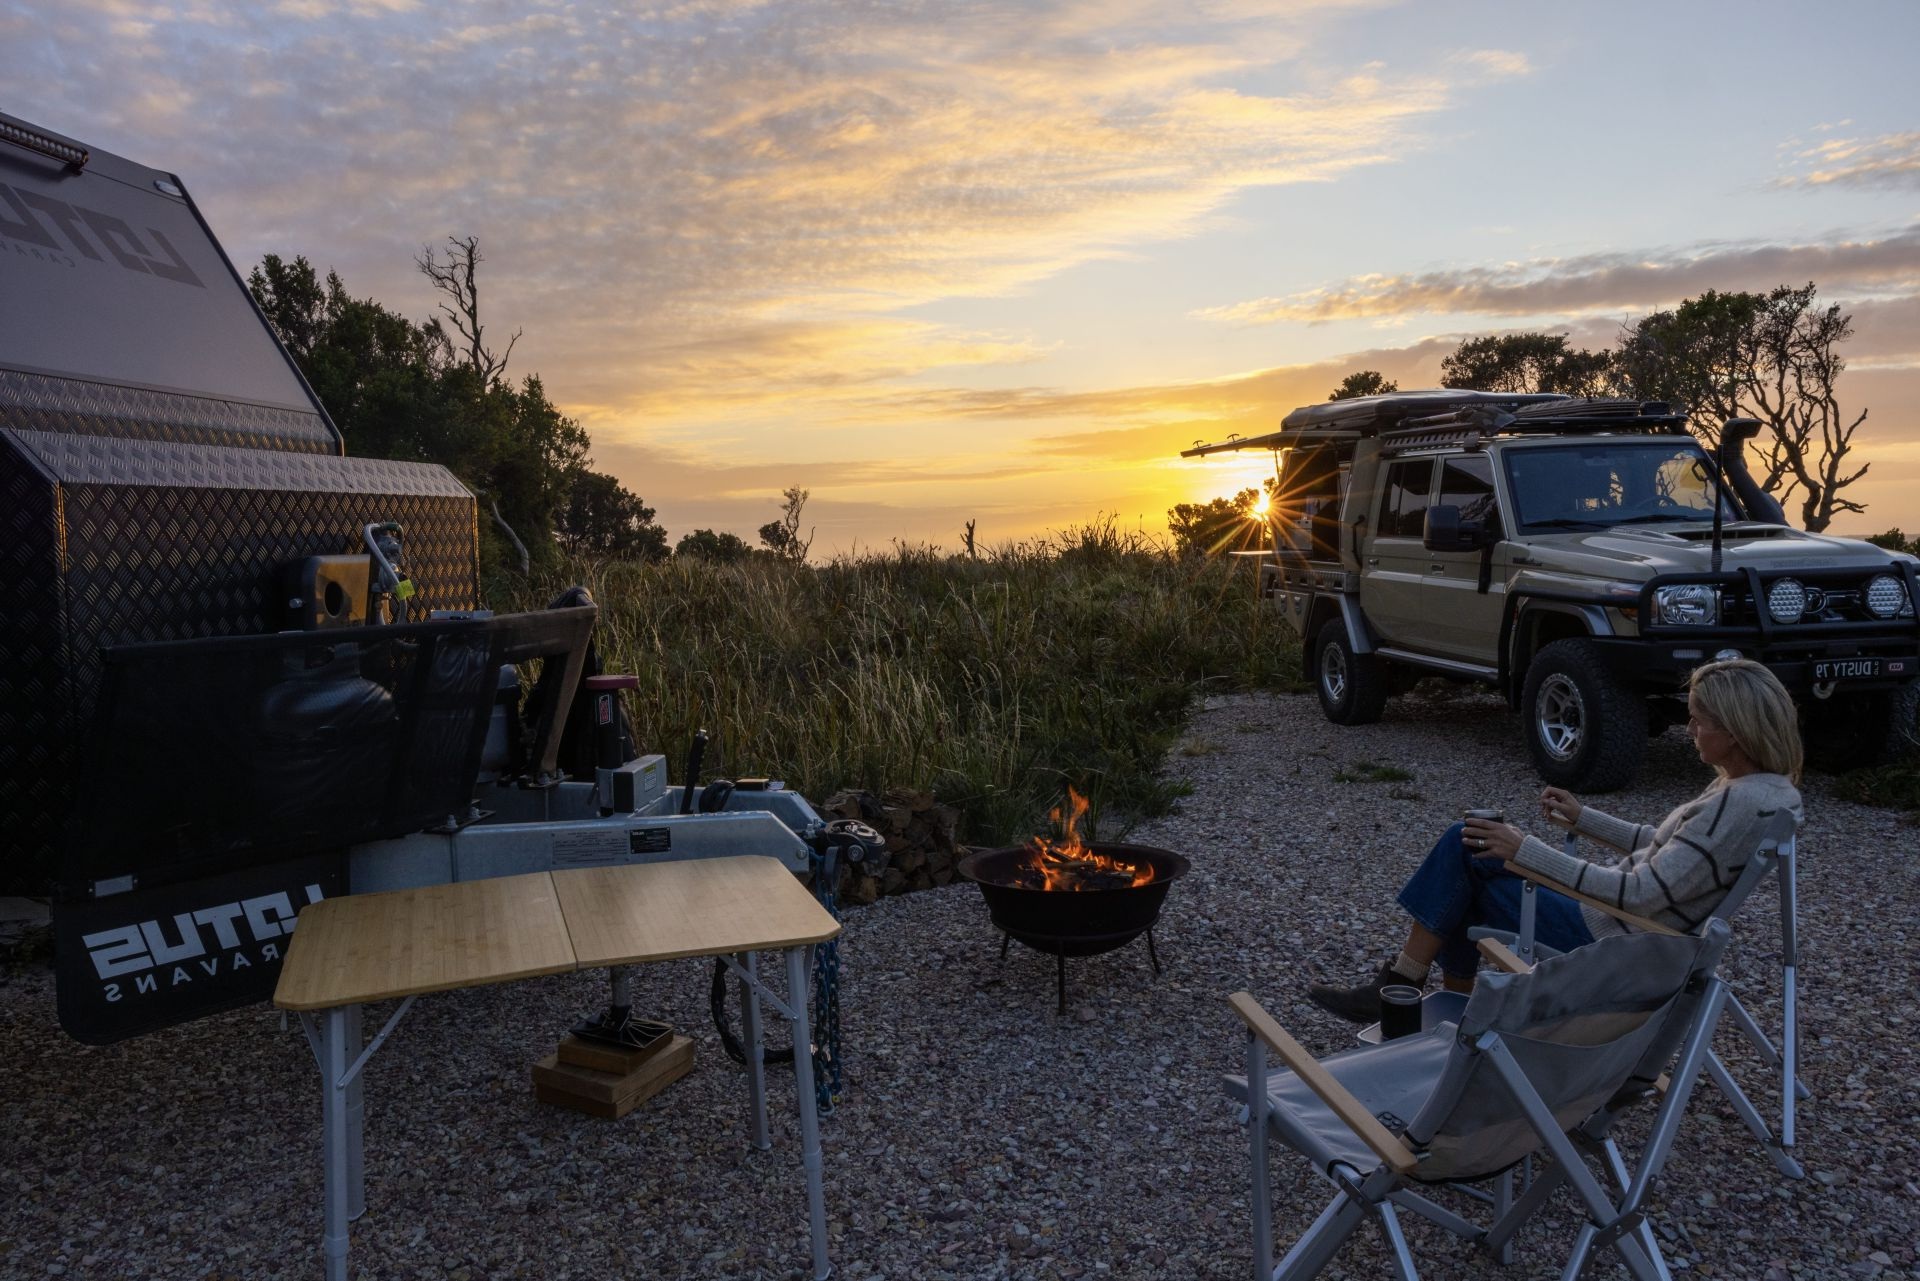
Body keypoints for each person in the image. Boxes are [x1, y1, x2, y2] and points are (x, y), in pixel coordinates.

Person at [1307, 657, 1804, 1024]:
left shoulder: (1734, 803)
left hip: (1613, 939)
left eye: (1700, 719)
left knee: (1467, 848)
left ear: (1736, 731)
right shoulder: (1762, 792)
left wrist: (1525, 851)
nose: (1690, 728)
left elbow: (1640, 894)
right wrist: (1583, 819)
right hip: (1638, 931)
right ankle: (1435, 999)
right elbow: (1668, 849)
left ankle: (1408, 988)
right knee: (1471, 852)